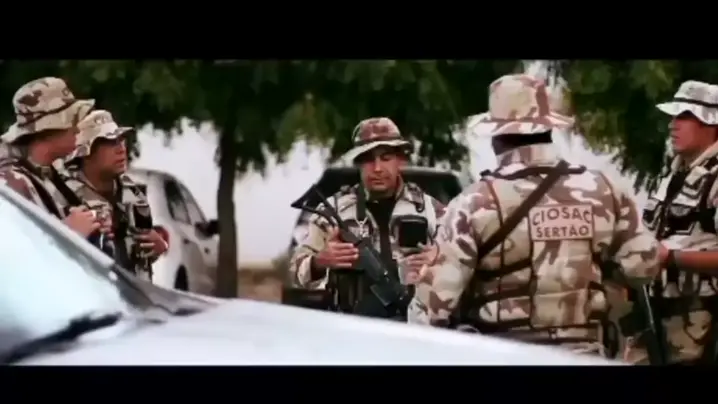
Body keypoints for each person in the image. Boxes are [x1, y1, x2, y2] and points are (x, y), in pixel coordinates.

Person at [407, 74, 660, 359]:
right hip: (586, 354)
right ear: (549, 129)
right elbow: (644, 266)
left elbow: (433, 307)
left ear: (497, 137)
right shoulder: (605, 190)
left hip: (505, 356)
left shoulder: (473, 203)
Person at [288, 117, 445, 311]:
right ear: (358, 164)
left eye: (386, 158)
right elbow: (294, 274)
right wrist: (319, 262)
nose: (377, 168)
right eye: (369, 159)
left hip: (412, 323)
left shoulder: (430, 210)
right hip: (350, 324)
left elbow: (462, 269)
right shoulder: (333, 211)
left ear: (400, 161)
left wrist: (437, 262)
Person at [625, 80, 718, 365]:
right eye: (673, 116)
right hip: (653, 311)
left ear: (712, 123)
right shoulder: (673, 174)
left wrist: (671, 258)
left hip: (700, 322)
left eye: (684, 117)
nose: (672, 125)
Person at [62, 110, 168, 280]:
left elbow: (134, 258)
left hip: (132, 293)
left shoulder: (133, 193)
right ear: (85, 153)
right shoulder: (64, 194)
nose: (121, 149)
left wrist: (157, 247)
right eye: (110, 142)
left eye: (121, 140)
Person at [0, 77, 100, 238]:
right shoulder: (10, 182)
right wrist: (68, 232)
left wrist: (90, 223)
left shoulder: (46, 173)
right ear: (48, 129)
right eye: (72, 120)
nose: (77, 129)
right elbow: (12, 246)